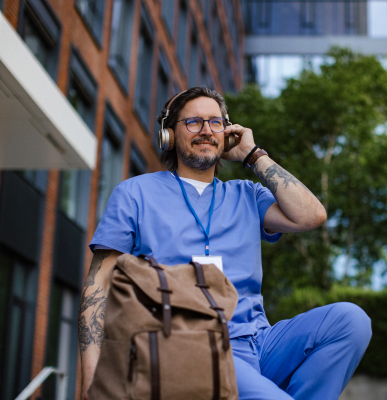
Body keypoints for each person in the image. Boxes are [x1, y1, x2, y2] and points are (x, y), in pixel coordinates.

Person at [78, 87, 372, 400]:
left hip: (257, 340)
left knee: (350, 321)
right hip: (187, 343)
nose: (206, 130)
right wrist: (91, 381)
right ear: (169, 135)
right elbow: (98, 288)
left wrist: (254, 155)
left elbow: (311, 216)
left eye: (216, 123)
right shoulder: (134, 194)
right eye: (193, 122)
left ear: (228, 133)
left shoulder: (248, 194)